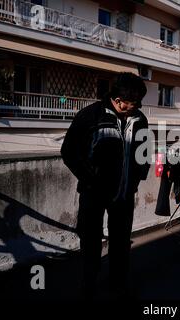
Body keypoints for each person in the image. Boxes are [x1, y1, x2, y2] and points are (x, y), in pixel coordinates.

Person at [61, 72, 150, 299]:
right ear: (118, 99)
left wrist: (138, 177)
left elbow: (144, 151)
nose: (136, 106)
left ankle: (118, 284)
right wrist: (90, 179)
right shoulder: (90, 116)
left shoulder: (139, 119)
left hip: (124, 194)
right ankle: (89, 284)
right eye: (132, 103)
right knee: (91, 242)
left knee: (121, 243)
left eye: (138, 102)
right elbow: (69, 152)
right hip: (93, 195)